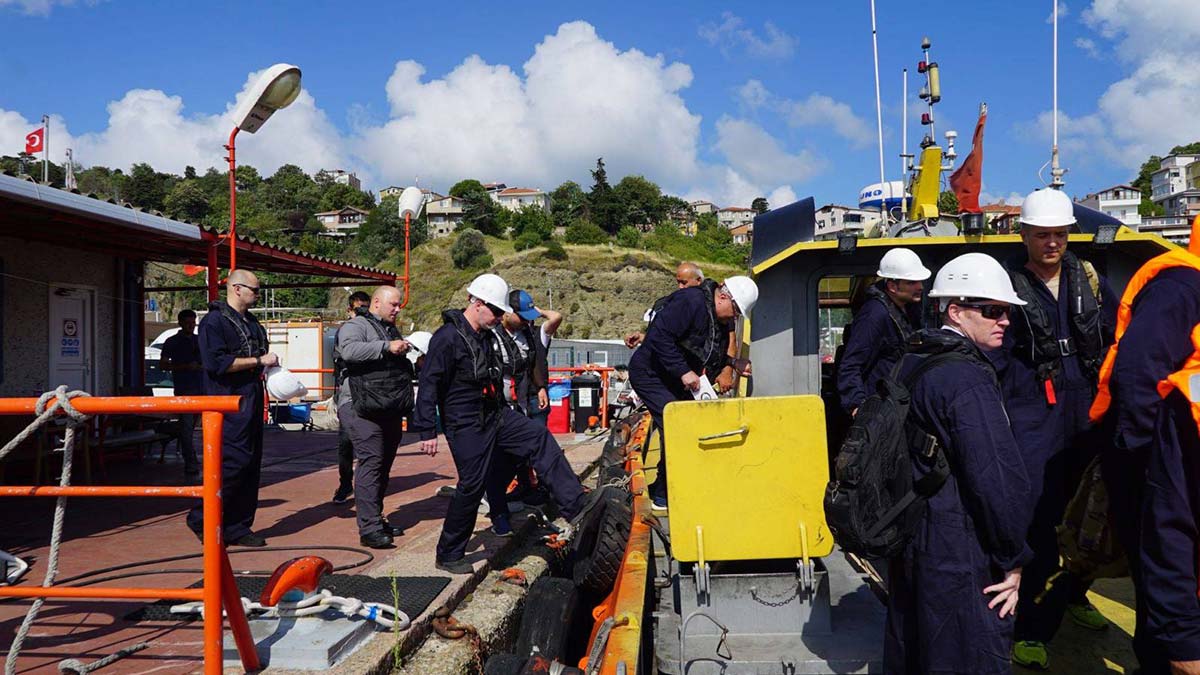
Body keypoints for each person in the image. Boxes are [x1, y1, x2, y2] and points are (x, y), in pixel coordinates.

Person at [884, 252, 1034, 674]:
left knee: (913, 650)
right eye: (992, 311)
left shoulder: (912, 361)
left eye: (1006, 311)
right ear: (956, 310)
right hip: (959, 547)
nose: (1004, 320)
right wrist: (1013, 557)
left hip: (911, 534)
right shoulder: (967, 379)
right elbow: (996, 480)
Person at [996, 188, 1117, 669]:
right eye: (1042, 234)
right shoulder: (1005, 285)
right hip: (1033, 409)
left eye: (1060, 235)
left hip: (1087, 406)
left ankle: (1074, 594)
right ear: (1023, 234)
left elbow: (1117, 333)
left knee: (1091, 508)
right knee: (1039, 516)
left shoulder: (1087, 277)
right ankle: (1030, 624)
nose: (1052, 243)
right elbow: (994, 354)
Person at [412, 273, 591, 574]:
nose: (498, 317)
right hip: (465, 422)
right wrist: (427, 429)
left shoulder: (485, 336)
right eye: (495, 311)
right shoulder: (447, 338)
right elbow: (429, 383)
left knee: (538, 436)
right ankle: (449, 552)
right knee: (472, 484)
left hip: (495, 412)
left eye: (500, 312)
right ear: (477, 303)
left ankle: (575, 506)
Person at [1090, 220, 1200, 674]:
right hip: (1158, 449)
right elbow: (1136, 370)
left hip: (1170, 445)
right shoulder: (1181, 286)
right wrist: (1149, 450)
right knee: (1164, 562)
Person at [627, 275, 758, 511]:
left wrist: (733, 363)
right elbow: (659, 337)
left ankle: (678, 485)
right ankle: (663, 495)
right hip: (650, 375)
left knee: (692, 425)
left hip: (674, 379)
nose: (735, 317)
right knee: (676, 424)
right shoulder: (691, 302)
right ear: (724, 296)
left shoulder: (714, 319)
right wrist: (683, 371)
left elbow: (705, 353)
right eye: (736, 311)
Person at [187, 269, 278, 547]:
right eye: (254, 289)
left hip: (250, 397)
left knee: (251, 463)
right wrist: (259, 361)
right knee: (231, 464)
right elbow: (217, 364)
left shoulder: (252, 323)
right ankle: (202, 518)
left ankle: (237, 526)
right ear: (237, 289)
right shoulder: (214, 323)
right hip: (226, 401)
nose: (258, 294)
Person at [336, 286, 415, 549]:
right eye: (393, 304)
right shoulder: (356, 325)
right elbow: (348, 351)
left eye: (399, 305)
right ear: (377, 302)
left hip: (386, 405)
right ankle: (369, 528)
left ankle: (376, 518)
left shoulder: (390, 328)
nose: (397, 309)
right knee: (372, 459)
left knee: (383, 463)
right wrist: (386, 346)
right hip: (359, 405)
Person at [836, 248, 930, 417]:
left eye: (919, 281)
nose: (920, 287)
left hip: (899, 402)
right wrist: (858, 407)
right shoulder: (874, 314)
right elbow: (851, 364)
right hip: (881, 407)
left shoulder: (909, 309)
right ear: (892, 286)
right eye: (911, 282)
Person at [331, 291, 371, 504]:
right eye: (359, 309)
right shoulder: (345, 332)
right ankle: (346, 483)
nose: (363, 313)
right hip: (349, 391)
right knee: (346, 441)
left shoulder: (374, 329)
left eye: (366, 308)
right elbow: (344, 357)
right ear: (350, 310)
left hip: (370, 391)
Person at [160, 309, 204, 479]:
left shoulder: (199, 340)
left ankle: (204, 461)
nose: (190, 326)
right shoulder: (172, 342)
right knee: (186, 430)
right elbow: (163, 365)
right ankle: (191, 463)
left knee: (197, 428)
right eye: (187, 323)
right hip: (184, 390)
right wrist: (185, 367)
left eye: (193, 323)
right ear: (179, 322)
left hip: (201, 390)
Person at [623, 261, 705, 349]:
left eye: (684, 282)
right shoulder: (667, 303)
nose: (680, 287)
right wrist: (642, 338)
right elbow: (666, 337)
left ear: (698, 280)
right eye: (678, 282)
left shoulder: (709, 306)